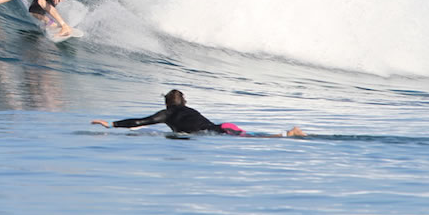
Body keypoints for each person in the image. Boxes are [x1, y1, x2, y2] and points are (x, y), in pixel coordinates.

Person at [91, 89, 306, 137]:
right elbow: (144, 124)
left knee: (258, 141)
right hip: (225, 126)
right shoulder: (189, 110)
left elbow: (142, 120)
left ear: (167, 104)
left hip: (219, 133)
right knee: (256, 139)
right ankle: (288, 133)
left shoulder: (168, 114)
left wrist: (111, 124)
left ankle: (289, 133)